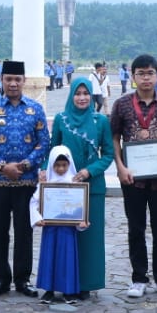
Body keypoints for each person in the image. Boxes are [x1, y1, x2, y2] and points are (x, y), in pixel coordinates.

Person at [0, 60, 50, 298]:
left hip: (26, 181)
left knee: (24, 232)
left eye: (17, 79)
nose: (12, 83)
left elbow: (44, 142)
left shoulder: (35, 109)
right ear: (1, 81)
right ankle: (0, 279)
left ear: (24, 81)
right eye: (8, 79)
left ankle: (23, 279)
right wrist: (2, 166)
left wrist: (26, 164)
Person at [110, 54, 157, 299]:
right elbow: (115, 137)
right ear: (133, 75)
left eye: (150, 73)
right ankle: (139, 278)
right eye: (141, 73)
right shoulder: (122, 104)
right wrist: (120, 166)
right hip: (132, 179)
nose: (145, 78)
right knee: (135, 229)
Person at [49, 75, 112, 300]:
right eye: (78, 93)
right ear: (71, 95)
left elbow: (108, 154)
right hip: (65, 188)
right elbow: (52, 149)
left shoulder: (100, 121)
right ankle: (64, 282)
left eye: (86, 93)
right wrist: (46, 172)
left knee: (89, 237)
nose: (82, 98)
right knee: (65, 237)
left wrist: (89, 171)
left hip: (92, 187)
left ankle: (86, 282)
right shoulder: (61, 119)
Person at [33, 146, 84, 304]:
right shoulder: (46, 184)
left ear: (69, 164)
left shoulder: (74, 183)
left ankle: (69, 292)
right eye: (57, 165)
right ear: (51, 165)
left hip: (68, 229)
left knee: (67, 258)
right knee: (50, 257)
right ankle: (48, 290)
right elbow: (34, 202)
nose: (61, 169)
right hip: (50, 228)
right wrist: (37, 218)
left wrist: (82, 221)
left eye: (64, 165)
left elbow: (80, 207)